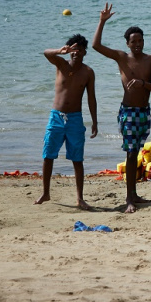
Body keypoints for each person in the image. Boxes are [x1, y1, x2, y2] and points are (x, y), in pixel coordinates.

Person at [92, 3, 151, 213]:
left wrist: (143, 84)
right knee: (131, 154)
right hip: (128, 112)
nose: (137, 44)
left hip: (144, 112)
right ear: (128, 44)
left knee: (136, 152)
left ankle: (135, 194)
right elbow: (96, 45)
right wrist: (102, 21)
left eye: (140, 40)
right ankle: (129, 199)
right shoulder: (122, 57)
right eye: (133, 41)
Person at [36, 34, 98, 210]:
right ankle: (46, 193)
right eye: (72, 49)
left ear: (85, 52)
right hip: (56, 116)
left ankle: (80, 198)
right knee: (48, 155)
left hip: (75, 119)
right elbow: (46, 53)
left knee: (77, 159)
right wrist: (60, 51)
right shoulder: (61, 64)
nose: (75, 52)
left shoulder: (88, 72)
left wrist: (94, 121)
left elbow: (91, 98)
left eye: (79, 49)